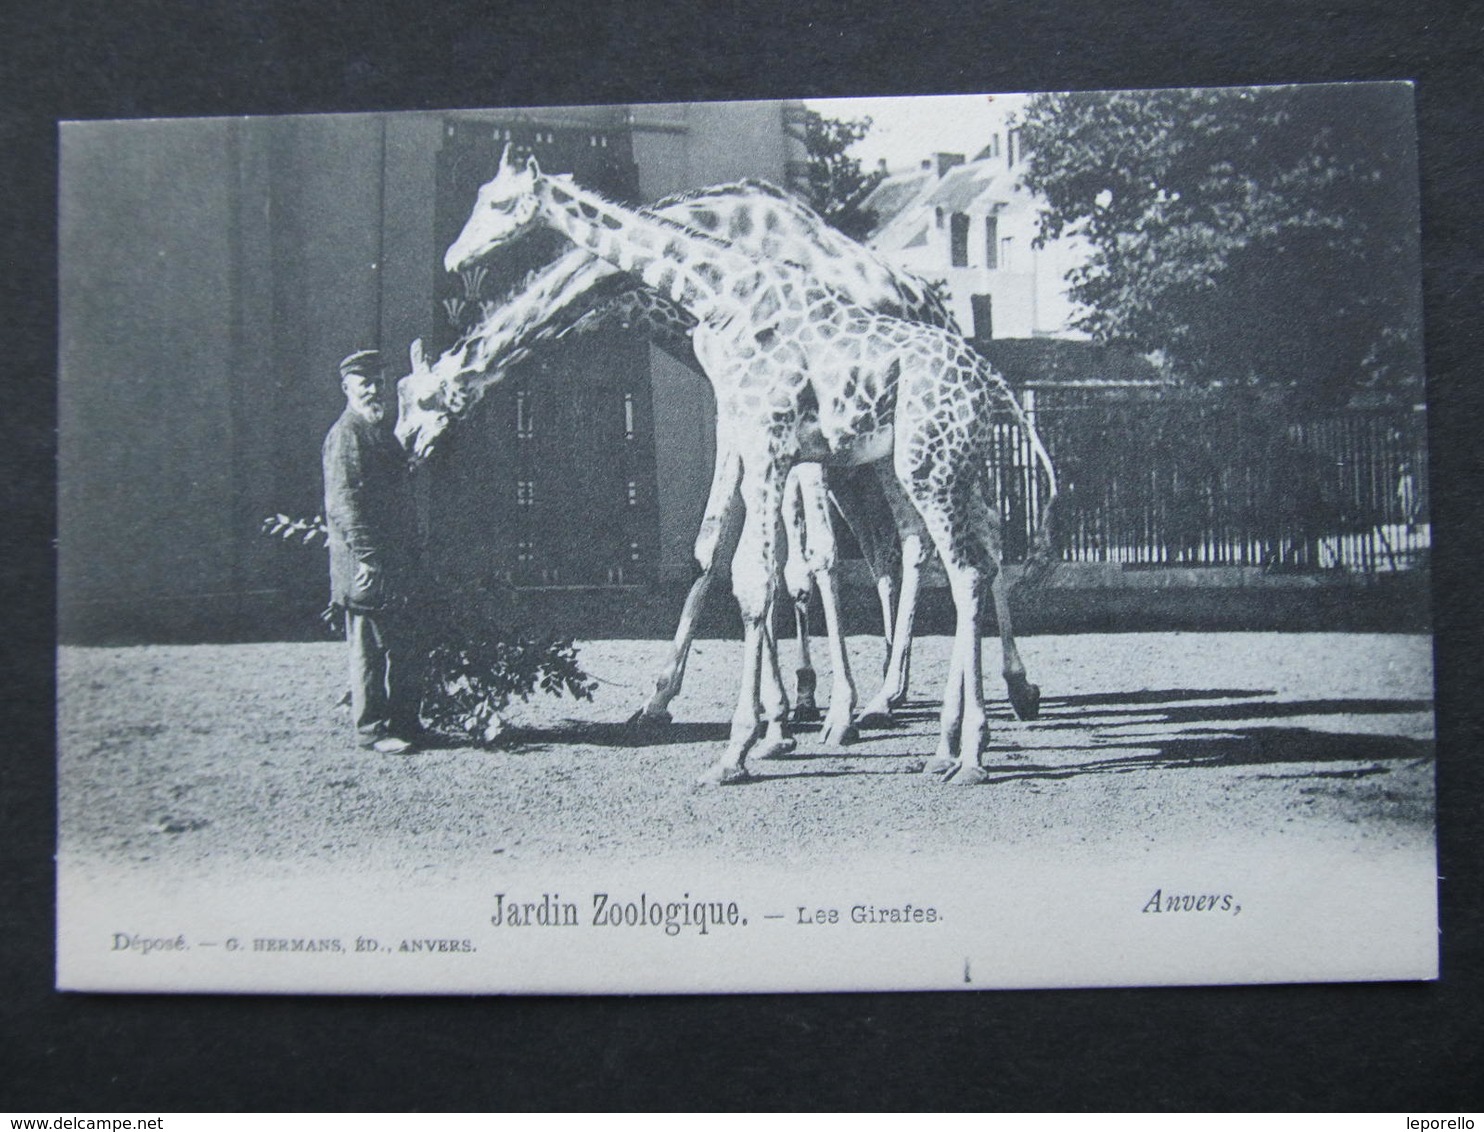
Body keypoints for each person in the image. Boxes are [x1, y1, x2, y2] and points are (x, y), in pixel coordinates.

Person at [323, 349, 421, 754]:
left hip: (392, 562)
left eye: (378, 382)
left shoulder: (378, 433)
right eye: (364, 383)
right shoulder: (347, 435)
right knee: (368, 649)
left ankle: (405, 723)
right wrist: (367, 556)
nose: (373, 390)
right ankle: (372, 731)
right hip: (366, 564)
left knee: (403, 644)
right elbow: (343, 502)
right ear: (346, 388)